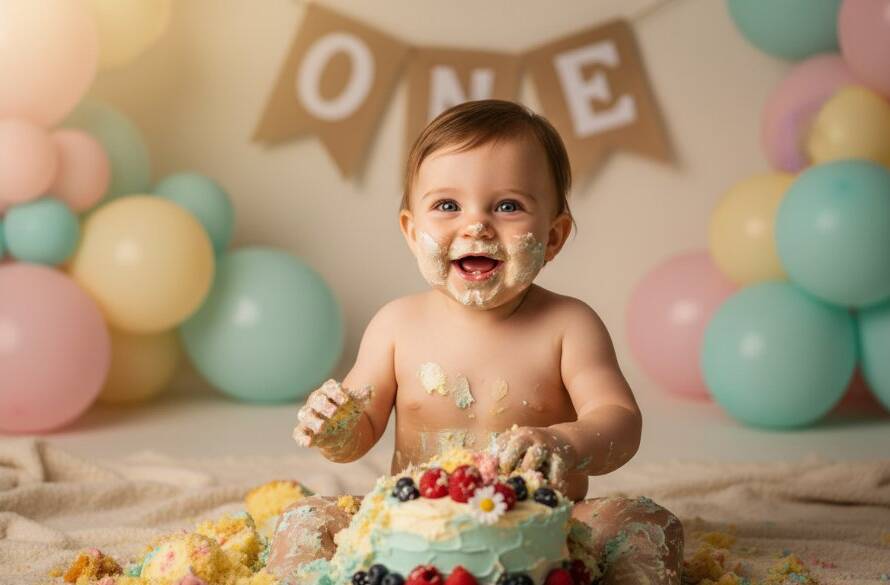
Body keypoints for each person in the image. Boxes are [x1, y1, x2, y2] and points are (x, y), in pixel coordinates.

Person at [287, 99, 683, 585]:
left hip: (546, 526)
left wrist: (563, 441)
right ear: (412, 233)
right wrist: (337, 427)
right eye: (447, 205)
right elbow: (360, 430)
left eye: (507, 206)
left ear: (554, 236)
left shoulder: (568, 325)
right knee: (306, 518)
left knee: (645, 522)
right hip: (410, 528)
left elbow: (620, 421)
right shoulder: (395, 325)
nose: (476, 225)